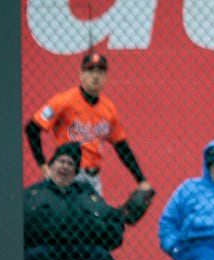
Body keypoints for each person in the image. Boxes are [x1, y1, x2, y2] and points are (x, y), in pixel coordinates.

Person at [25, 52, 153, 196]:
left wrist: (141, 179)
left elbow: (121, 146)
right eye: (90, 70)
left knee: (95, 217)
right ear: (81, 74)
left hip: (93, 178)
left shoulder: (108, 108)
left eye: (100, 71)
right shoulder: (64, 101)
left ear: (106, 78)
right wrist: (43, 165)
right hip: (68, 174)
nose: (95, 76)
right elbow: (32, 128)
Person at [24, 142, 125, 260]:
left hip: (81, 246)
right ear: (51, 165)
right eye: (61, 161)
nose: (64, 167)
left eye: (70, 163)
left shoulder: (87, 194)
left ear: (76, 171)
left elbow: (110, 221)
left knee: (103, 259)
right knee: (35, 256)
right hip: (49, 247)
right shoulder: (34, 194)